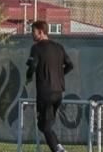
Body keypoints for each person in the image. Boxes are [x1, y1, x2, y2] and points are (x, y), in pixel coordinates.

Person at [26, 20, 74, 152]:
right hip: (58, 93)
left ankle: (59, 150)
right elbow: (70, 65)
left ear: (41, 32)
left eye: (33, 32)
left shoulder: (36, 48)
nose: (32, 35)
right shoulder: (59, 47)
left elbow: (33, 66)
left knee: (44, 126)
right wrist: (59, 77)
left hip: (45, 93)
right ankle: (59, 147)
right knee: (45, 125)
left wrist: (28, 76)